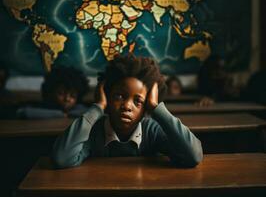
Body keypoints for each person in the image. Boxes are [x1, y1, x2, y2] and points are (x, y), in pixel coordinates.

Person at [52, 54, 203, 169]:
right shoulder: (93, 131)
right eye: (119, 96)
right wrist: (98, 107)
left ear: (146, 107)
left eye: (138, 101)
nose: (127, 106)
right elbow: (62, 158)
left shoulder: (152, 131)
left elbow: (193, 156)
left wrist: (157, 109)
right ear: (107, 97)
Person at [16, 66, 90, 119]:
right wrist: (62, 115)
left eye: (72, 95)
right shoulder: (45, 106)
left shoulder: (77, 107)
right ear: (51, 92)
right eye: (61, 93)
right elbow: (23, 112)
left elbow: (90, 113)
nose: (67, 99)